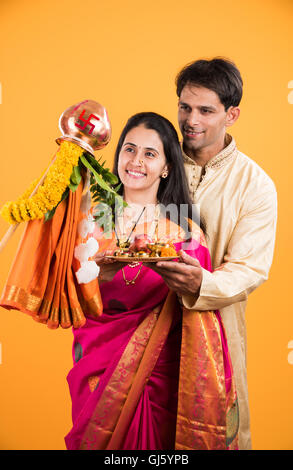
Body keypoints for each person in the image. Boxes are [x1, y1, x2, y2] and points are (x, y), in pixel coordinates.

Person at [64, 112, 239, 450]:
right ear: (117, 158)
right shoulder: (89, 226)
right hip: (98, 368)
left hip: (163, 377)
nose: (136, 161)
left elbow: (203, 317)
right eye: (129, 150)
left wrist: (190, 284)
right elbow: (65, 304)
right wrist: (95, 278)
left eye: (149, 153)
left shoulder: (186, 234)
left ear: (166, 166)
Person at [151, 58, 278, 450]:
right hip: (145, 335)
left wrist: (201, 282)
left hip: (215, 336)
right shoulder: (152, 163)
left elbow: (249, 269)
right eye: (185, 107)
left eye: (206, 110)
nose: (191, 119)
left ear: (232, 114)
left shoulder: (255, 185)